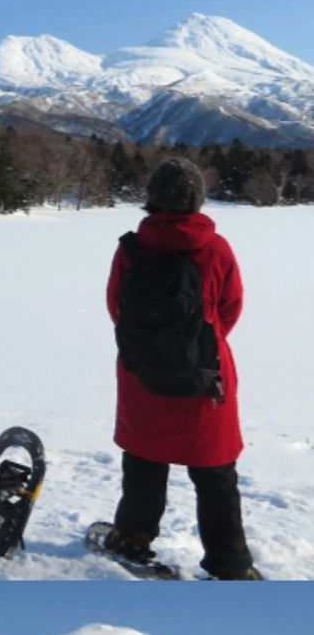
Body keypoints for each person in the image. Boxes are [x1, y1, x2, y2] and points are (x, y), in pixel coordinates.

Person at [99, 157, 259, 579]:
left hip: (142, 373)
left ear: (152, 198)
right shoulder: (216, 248)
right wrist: (195, 346)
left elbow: (117, 307)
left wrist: (153, 348)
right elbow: (231, 307)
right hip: (205, 376)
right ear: (198, 200)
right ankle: (229, 562)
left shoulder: (132, 248)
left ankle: (133, 538)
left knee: (144, 463)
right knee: (215, 473)